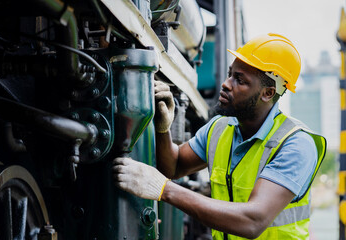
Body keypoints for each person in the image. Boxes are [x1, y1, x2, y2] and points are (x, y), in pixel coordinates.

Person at [112, 33, 327, 239]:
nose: (226, 84)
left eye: (239, 80)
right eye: (230, 74)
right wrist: (163, 128)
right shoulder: (219, 129)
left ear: (268, 93)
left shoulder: (295, 144)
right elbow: (174, 167)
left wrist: (164, 189)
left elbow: (253, 221)